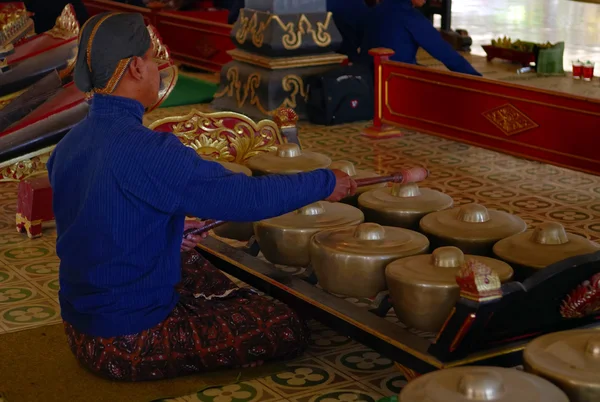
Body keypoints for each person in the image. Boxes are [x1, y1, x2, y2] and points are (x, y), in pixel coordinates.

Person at [47, 12, 357, 382]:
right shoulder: (148, 150)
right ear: (135, 68)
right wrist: (324, 183)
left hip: (80, 328)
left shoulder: (67, 144)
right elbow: (245, 198)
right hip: (126, 341)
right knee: (285, 325)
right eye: (152, 59)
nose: (158, 69)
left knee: (192, 260)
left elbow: (97, 221)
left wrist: (168, 233)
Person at [359, 0, 481, 76]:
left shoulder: (376, 10)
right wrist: (475, 78)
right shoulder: (410, 16)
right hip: (395, 81)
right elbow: (443, 52)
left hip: (366, 78)